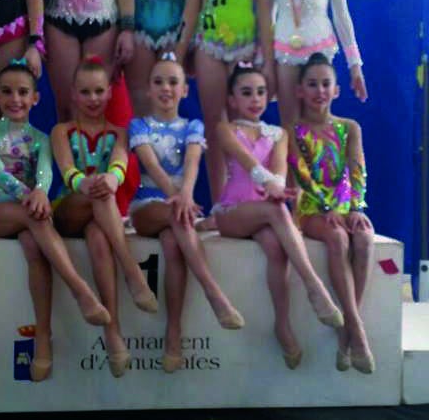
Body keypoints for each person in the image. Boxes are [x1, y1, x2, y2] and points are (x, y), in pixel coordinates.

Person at [0, 60, 110, 382]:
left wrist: (40, 191)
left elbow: (46, 173)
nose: (15, 99)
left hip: (30, 213)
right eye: (7, 92)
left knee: (34, 246)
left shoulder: (41, 138)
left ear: (35, 98)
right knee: (35, 216)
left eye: (23, 92)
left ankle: (43, 339)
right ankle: (80, 290)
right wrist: (31, 195)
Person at [214, 62, 344, 369]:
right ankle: (314, 286)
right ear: (232, 99)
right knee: (275, 209)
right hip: (233, 213)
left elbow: (280, 169)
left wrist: (280, 186)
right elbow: (247, 162)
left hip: (267, 213)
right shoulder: (225, 129)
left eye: (261, 92)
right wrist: (270, 185)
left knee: (276, 247)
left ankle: (282, 327)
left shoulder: (278, 134)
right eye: (247, 93)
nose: (255, 99)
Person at [129, 53, 245, 373]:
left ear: (184, 90)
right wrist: (177, 197)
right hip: (148, 207)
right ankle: (214, 293)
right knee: (176, 218)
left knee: (172, 243)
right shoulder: (139, 125)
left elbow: (193, 164)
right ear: (149, 89)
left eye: (172, 82)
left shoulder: (193, 126)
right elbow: (152, 166)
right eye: (158, 82)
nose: (165, 88)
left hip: (179, 206)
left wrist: (185, 196)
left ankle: (174, 333)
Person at [50, 56, 157, 378]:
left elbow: (119, 163)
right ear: (73, 94)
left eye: (99, 91)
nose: (93, 98)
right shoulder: (62, 130)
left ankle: (113, 334)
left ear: (110, 92)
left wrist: (112, 177)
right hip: (69, 208)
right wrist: (84, 183)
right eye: (85, 92)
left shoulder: (119, 133)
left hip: (100, 213)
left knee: (99, 239)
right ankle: (132, 272)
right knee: (100, 194)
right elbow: (67, 169)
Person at [177, 0, 274, 225]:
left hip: (246, 49)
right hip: (210, 46)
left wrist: (269, 62)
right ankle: (222, 204)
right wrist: (177, 56)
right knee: (216, 127)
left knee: (244, 127)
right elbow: (190, 9)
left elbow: (265, 13)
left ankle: (246, 200)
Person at [288, 52, 375, 374]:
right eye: (312, 84)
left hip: (343, 204)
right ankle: (357, 332)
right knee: (338, 238)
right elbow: (301, 175)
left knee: (363, 237)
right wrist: (326, 208)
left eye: (326, 84)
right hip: (312, 207)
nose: (319, 91)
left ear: (337, 90)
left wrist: (355, 208)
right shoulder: (294, 130)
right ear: (300, 91)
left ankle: (346, 331)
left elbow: (357, 170)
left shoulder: (349, 128)